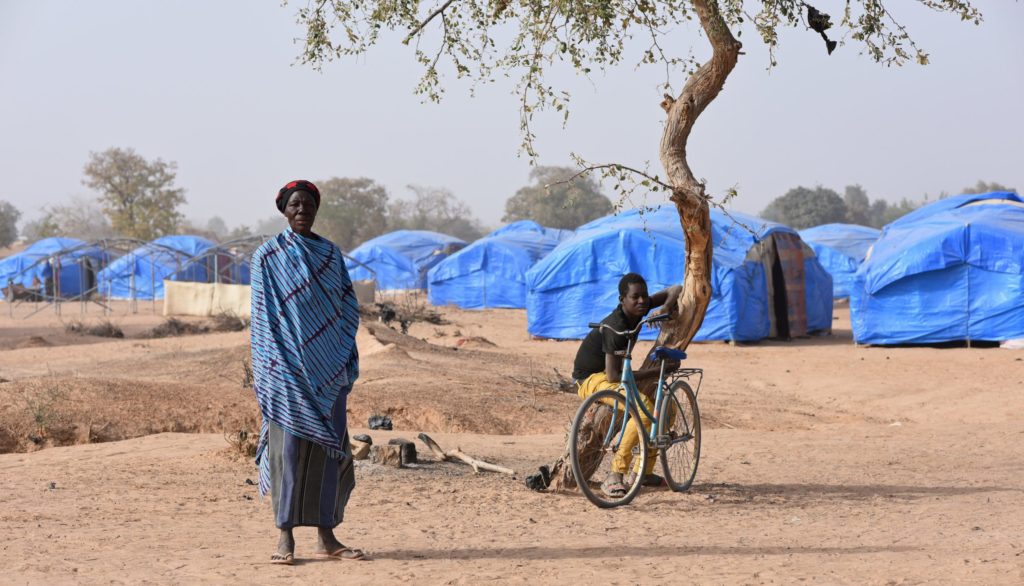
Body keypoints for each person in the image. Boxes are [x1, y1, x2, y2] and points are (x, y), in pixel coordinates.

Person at [251, 179, 367, 565]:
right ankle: (284, 538)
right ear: (284, 210)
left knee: (327, 454)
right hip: (284, 373)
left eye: (308, 204)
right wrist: (274, 368)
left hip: (328, 375)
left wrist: (339, 358)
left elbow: (347, 308)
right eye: (294, 205)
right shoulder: (266, 258)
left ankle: (327, 536)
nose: (302, 210)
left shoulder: (330, 256)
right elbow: (262, 321)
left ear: (316, 209)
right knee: (286, 455)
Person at [570, 273, 681, 498]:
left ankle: (645, 472)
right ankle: (616, 473)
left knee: (666, 410)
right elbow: (612, 376)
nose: (642, 301)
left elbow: (676, 288)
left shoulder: (641, 306)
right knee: (646, 409)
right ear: (623, 300)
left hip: (613, 374)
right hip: (592, 378)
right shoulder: (615, 326)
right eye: (635, 297)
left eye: (644, 296)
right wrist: (657, 371)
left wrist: (664, 308)